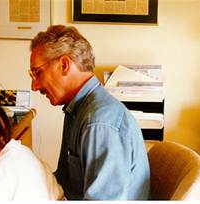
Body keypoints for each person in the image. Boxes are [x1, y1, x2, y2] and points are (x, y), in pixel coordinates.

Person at [28, 25, 150, 200]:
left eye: (38, 73)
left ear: (64, 64)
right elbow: (65, 184)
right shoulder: (79, 109)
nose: (34, 86)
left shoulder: (99, 123)